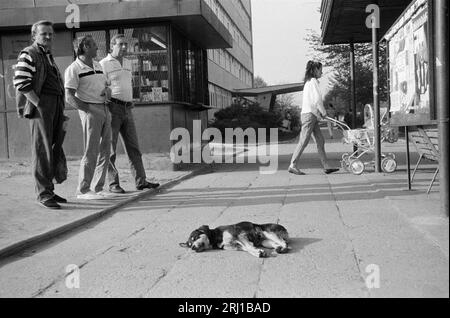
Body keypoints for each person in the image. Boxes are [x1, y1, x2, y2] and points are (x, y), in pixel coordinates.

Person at [13, 20, 67, 209]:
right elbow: (21, 82)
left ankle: (49, 189)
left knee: (53, 147)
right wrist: (39, 104)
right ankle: (43, 194)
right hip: (42, 107)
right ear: (34, 35)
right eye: (44, 34)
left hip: (55, 106)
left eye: (50, 34)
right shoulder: (29, 53)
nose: (48, 37)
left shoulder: (47, 54)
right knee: (42, 149)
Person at [100, 34, 159, 194]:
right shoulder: (103, 64)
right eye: (121, 44)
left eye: (126, 44)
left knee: (134, 147)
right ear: (112, 46)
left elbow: (126, 83)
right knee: (110, 148)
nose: (125, 47)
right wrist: (107, 108)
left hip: (127, 108)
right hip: (112, 108)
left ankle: (141, 181)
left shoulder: (127, 62)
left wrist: (130, 99)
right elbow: (101, 88)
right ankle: (113, 184)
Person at [65, 35, 112, 200]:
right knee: (91, 150)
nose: (97, 48)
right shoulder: (74, 68)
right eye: (93, 45)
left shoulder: (98, 65)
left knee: (106, 150)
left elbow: (107, 84)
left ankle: (97, 188)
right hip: (90, 110)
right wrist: (88, 110)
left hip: (105, 108)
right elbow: (69, 96)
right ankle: (83, 190)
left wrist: (108, 91)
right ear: (84, 47)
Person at [288, 61, 339, 175]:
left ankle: (326, 166)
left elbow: (312, 102)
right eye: (320, 69)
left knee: (320, 140)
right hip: (309, 116)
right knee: (303, 141)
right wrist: (324, 112)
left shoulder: (309, 82)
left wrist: (318, 114)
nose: (322, 72)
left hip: (312, 115)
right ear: (315, 70)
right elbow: (317, 100)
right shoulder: (313, 81)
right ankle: (293, 164)